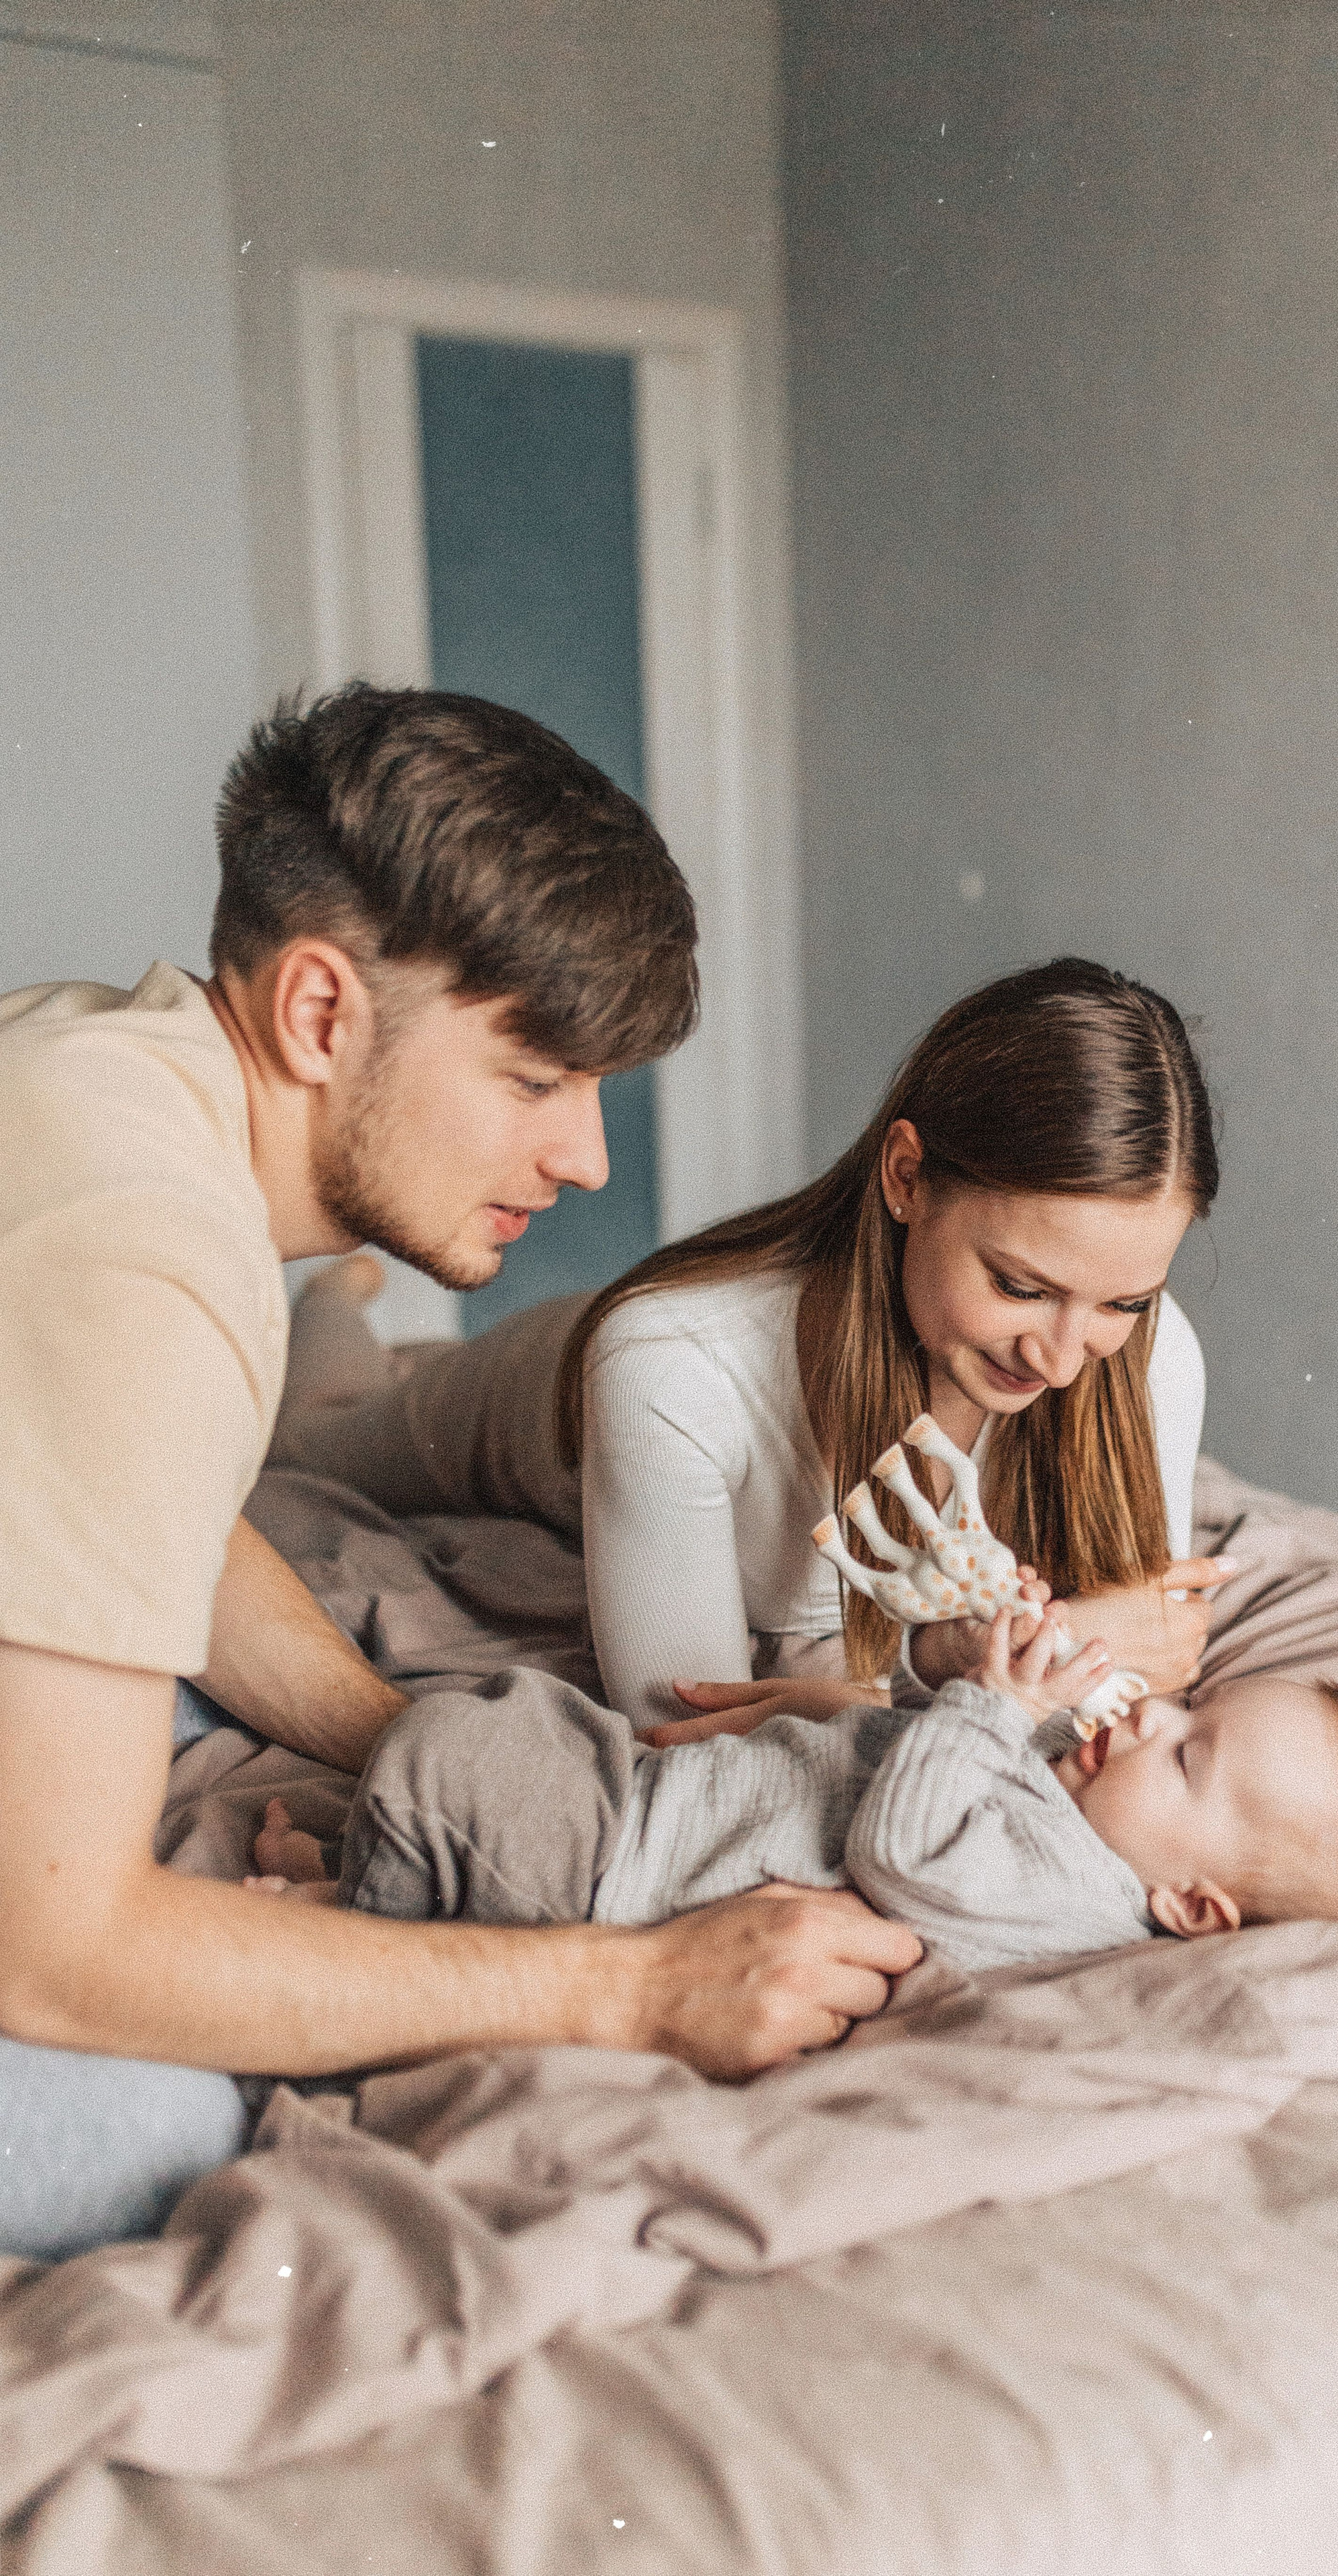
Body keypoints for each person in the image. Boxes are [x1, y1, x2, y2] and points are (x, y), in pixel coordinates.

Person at [0, 684, 919, 2263]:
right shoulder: (139, 1253)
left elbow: (144, 1518)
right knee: (163, 2137)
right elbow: (55, 1957)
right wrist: (626, 1987)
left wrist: (399, 1747)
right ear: (318, 1012)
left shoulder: (103, 1068)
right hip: (41, 1941)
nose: (588, 1161)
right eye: (534, 1077)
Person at [271, 959, 1238, 1737]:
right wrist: (936, 1676)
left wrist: (940, 1666)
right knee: (323, 1438)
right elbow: (682, 1721)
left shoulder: (1150, 1359)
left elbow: (1127, 1668)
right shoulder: (674, 1367)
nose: (1066, 1361)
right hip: (546, 1392)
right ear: (907, 1178)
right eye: (1020, 1287)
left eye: (1122, 1300)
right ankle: (334, 1300)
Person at [247, 1609, 1338, 1961]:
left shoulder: (1067, 1900)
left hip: (616, 1872)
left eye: (1188, 1753)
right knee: (517, 1721)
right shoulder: (1086, 1806)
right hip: (651, 1796)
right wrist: (958, 1670)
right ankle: (369, 1868)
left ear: (1195, 1907)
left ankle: (362, 1932)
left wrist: (993, 1712)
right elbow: (912, 1743)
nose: (1153, 1711)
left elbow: (906, 1847)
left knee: (447, 1749)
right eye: (1191, 1707)